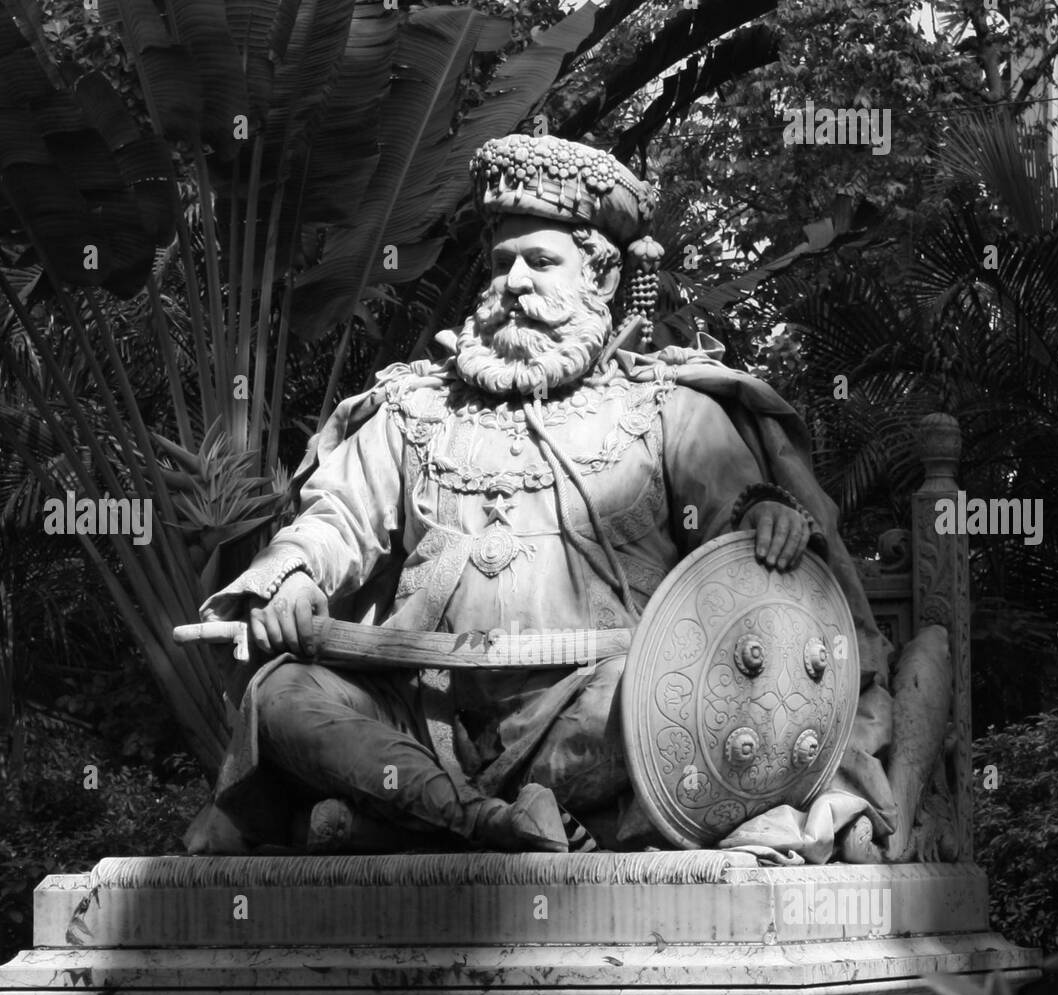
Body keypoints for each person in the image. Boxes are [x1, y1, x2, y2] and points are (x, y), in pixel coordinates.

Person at [185, 134, 893, 856]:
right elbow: (337, 516)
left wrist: (767, 518)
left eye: (540, 262)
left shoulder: (668, 411)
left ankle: (412, 820)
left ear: (602, 279)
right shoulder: (413, 409)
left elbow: (737, 539)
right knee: (283, 696)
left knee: (676, 697)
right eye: (500, 264)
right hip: (424, 713)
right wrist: (295, 573)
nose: (514, 283)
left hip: (610, 712)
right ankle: (484, 823)